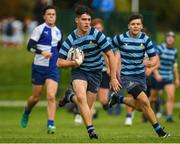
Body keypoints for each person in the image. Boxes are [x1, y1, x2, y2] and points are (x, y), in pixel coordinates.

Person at [57, 5, 120, 139]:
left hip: (96, 73)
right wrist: (74, 63)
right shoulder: (71, 38)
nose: (87, 22)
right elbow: (59, 62)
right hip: (79, 71)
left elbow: (110, 54)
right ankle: (91, 131)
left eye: (89, 19)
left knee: (86, 106)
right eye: (84, 19)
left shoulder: (97, 35)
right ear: (77, 20)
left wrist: (113, 77)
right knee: (81, 97)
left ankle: (69, 96)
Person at [108, 13, 169, 138]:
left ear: (141, 26)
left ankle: (118, 99)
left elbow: (154, 59)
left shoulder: (146, 40)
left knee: (141, 107)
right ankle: (160, 132)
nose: (136, 26)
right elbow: (107, 49)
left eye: (138, 24)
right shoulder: (121, 38)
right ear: (128, 26)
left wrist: (150, 63)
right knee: (145, 101)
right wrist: (112, 70)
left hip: (141, 77)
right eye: (133, 24)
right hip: (127, 76)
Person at [21, 5, 63, 134]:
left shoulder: (58, 32)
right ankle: (27, 112)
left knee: (51, 96)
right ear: (44, 16)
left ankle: (51, 124)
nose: (51, 16)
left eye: (53, 14)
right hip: (39, 67)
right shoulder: (39, 29)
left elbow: (61, 50)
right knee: (35, 97)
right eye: (49, 14)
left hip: (53, 68)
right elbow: (29, 47)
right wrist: (41, 52)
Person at [149, 31, 180, 122]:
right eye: (168, 37)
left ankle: (168, 117)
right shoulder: (160, 48)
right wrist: (157, 74)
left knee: (171, 97)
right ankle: (146, 113)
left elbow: (174, 66)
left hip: (168, 78)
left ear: (174, 39)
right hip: (158, 77)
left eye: (172, 37)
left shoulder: (174, 51)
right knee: (153, 98)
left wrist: (177, 78)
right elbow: (154, 62)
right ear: (166, 38)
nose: (170, 38)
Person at [91, 18, 120, 111]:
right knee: (91, 95)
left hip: (104, 72)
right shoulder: (89, 39)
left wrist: (112, 69)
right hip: (93, 71)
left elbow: (116, 53)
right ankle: (88, 113)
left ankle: (105, 105)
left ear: (102, 28)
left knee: (103, 99)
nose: (97, 30)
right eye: (95, 28)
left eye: (99, 28)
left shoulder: (107, 40)